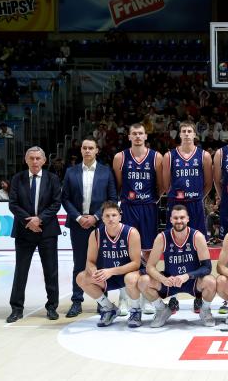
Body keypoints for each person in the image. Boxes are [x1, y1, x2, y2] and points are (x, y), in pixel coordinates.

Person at [61, 137, 117, 318]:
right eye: (84, 148)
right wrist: (78, 217)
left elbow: (112, 199)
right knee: (79, 263)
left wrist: (96, 217)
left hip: (100, 225)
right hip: (78, 225)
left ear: (96, 150)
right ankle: (77, 301)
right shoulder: (70, 172)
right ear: (81, 150)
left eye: (90, 148)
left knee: (101, 264)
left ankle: (103, 302)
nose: (87, 151)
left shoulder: (106, 171)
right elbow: (65, 198)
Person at [7, 146, 62, 323]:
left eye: (38, 158)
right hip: (24, 232)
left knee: (51, 271)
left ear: (44, 161)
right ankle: (16, 308)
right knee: (20, 271)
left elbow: (56, 204)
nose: (35, 161)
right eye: (31, 158)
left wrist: (39, 220)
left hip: (47, 231)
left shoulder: (52, 178)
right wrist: (29, 222)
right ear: (26, 160)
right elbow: (13, 204)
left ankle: (52, 307)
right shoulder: (17, 178)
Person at [112, 123, 163, 315]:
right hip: (128, 208)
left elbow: (161, 185)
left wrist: (152, 199)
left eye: (141, 133)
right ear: (129, 136)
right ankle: (125, 297)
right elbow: (118, 185)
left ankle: (148, 296)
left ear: (146, 136)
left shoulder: (156, 157)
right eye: (134, 134)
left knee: (149, 254)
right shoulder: (120, 157)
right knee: (126, 254)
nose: (138, 136)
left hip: (149, 208)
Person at [138, 205, 217, 327]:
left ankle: (205, 310)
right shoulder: (162, 237)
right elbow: (150, 267)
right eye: (175, 218)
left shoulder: (197, 236)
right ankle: (161, 310)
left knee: (211, 281)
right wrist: (163, 279)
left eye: (182, 217)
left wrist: (187, 276)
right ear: (170, 220)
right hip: (170, 281)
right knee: (143, 281)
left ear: (187, 219)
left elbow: (207, 267)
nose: (179, 221)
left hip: (192, 281)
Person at [75, 202, 142, 327]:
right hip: (108, 277)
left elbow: (136, 264)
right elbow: (90, 261)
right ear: (102, 218)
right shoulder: (96, 234)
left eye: (114, 215)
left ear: (120, 216)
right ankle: (109, 308)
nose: (111, 219)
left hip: (128, 274)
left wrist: (111, 271)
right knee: (81, 278)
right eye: (107, 216)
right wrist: (94, 271)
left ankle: (135, 310)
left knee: (130, 278)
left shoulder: (131, 233)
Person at [162, 121, 212, 235]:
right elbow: (166, 185)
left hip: (195, 202)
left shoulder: (204, 155)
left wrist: (198, 196)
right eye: (183, 131)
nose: (186, 134)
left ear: (194, 134)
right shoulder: (169, 156)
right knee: (173, 238)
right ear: (180, 135)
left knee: (198, 239)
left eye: (189, 131)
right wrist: (174, 195)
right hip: (176, 202)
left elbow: (209, 183)